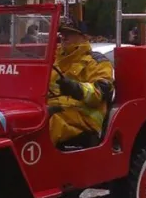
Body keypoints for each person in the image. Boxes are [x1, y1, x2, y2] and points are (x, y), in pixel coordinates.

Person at [48, 17, 114, 148]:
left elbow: (100, 94)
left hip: (85, 119)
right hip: (59, 111)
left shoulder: (98, 62)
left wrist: (75, 88)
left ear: (84, 37)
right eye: (62, 33)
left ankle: (36, 165)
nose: (64, 37)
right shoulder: (53, 60)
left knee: (46, 123)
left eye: (70, 33)